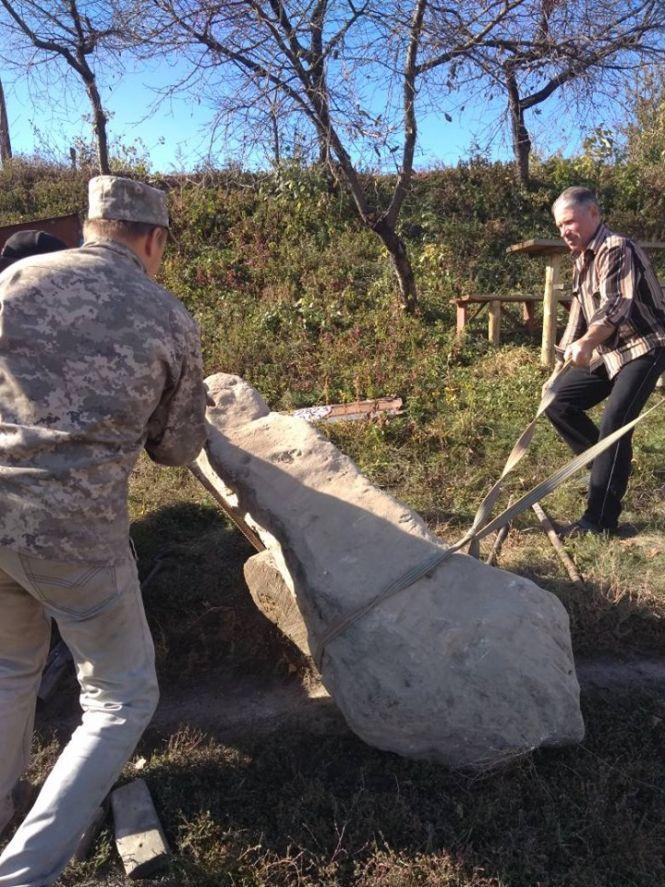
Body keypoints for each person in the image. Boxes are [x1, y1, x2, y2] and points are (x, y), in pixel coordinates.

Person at [0, 175, 208, 884]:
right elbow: (176, 448)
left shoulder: (16, 275)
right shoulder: (166, 315)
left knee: (7, 670)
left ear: (90, 224)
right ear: (152, 240)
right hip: (74, 536)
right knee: (121, 695)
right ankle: (25, 871)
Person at [544, 186, 665, 537]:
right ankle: (606, 469)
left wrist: (585, 343)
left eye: (569, 222)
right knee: (557, 402)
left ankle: (600, 521)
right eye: (559, 226)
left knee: (615, 423)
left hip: (646, 346)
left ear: (593, 213)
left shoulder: (617, 248)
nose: (565, 231)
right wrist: (558, 368)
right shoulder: (581, 259)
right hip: (609, 351)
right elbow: (578, 317)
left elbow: (615, 306)